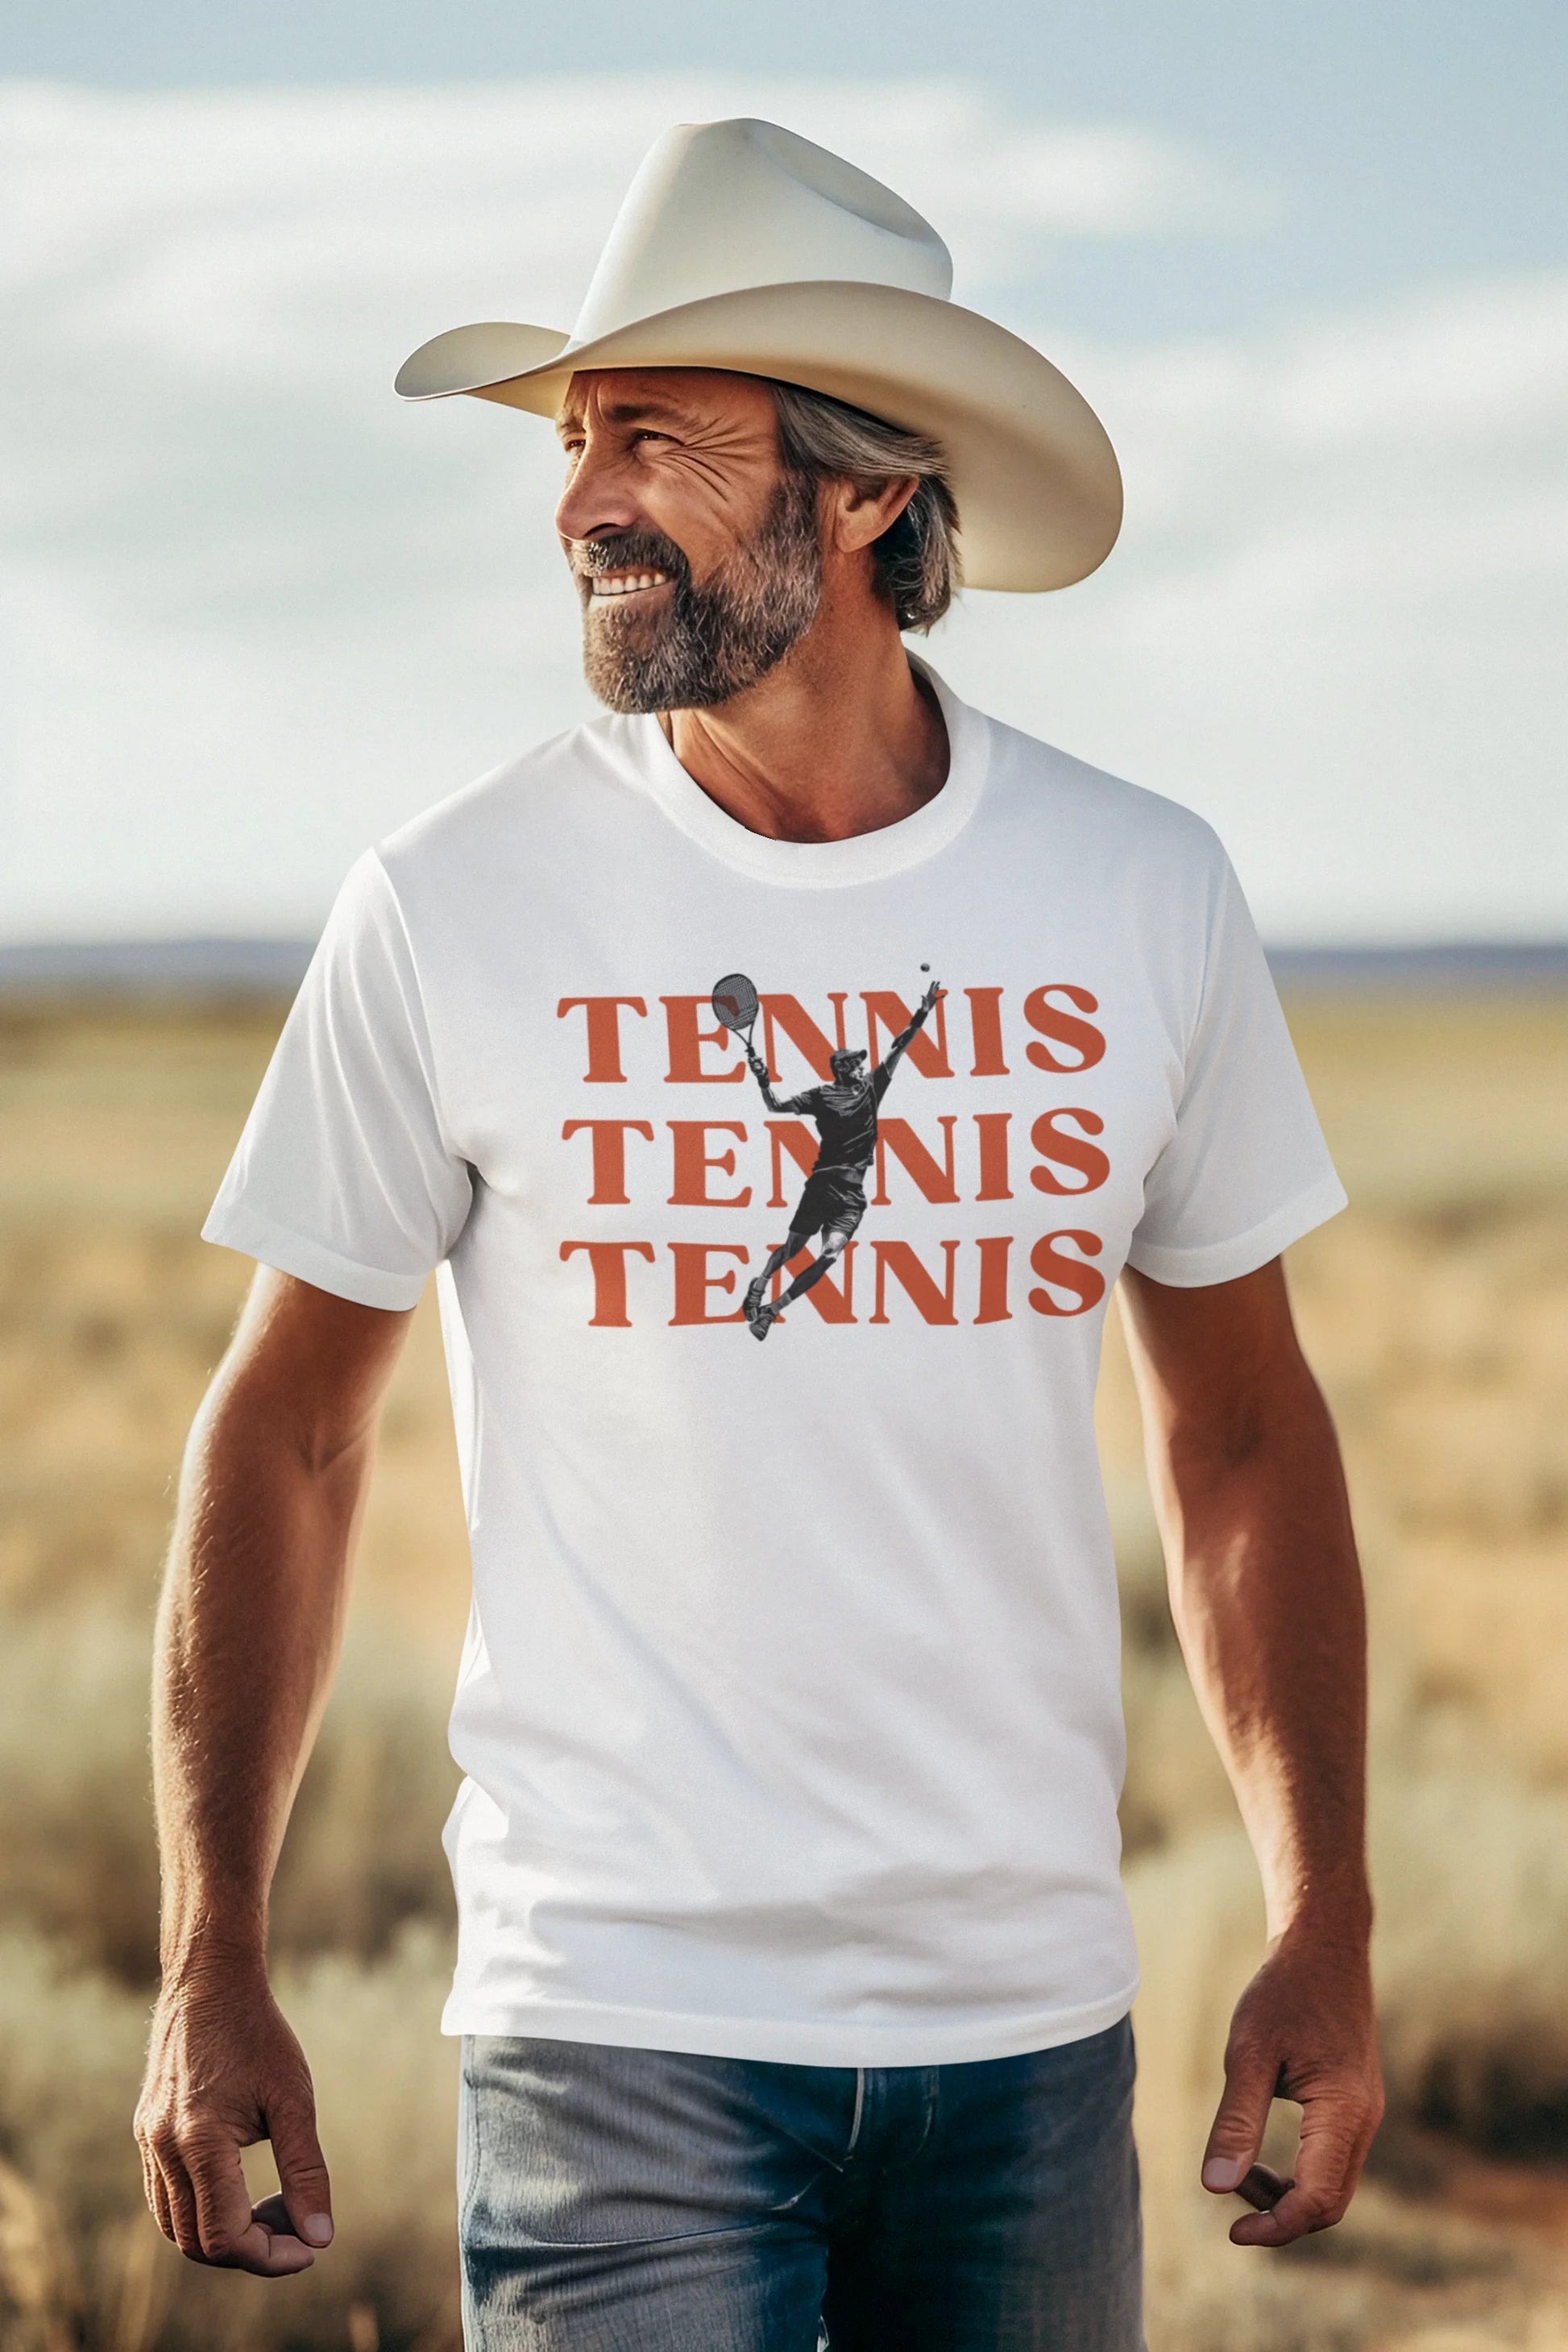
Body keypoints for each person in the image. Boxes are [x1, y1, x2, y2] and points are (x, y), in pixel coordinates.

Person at [134, 117, 1383, 2350]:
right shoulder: (450, 901)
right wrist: (208, 1945)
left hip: (1027, 2032)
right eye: (573, 436)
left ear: (868, 484)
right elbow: (288, 1435)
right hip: (614, 2020)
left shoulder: (1139, 890)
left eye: (654, 437)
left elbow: (1245, 1435)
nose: (579, 502)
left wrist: (1326, 1907)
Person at [740, 982, 940, 1338]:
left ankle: (771, 1311)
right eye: (857, 1063)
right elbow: (775, 1106)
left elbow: (899, 1048)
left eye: (862, 1063)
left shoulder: (872, 1088)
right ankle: (760, 1283)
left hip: (852, 1197)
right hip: (823, 1186)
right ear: (843, 1068)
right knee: (791, 1250)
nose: (863, 1067)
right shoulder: (822, 1095)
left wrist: (922, 1013)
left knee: (829, 1255)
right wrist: (762, 1079)